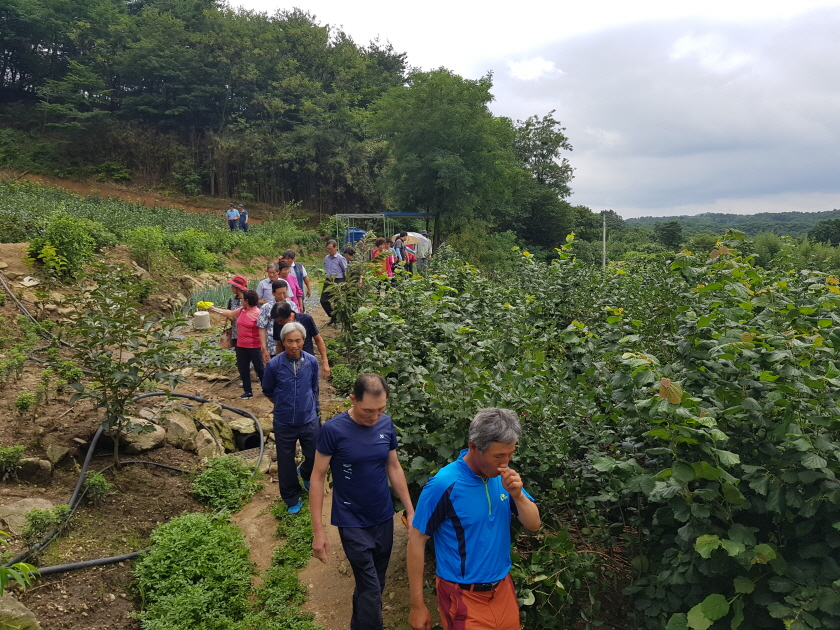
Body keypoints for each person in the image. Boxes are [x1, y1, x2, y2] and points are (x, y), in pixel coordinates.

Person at [407, 408, 541, 630]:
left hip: (502, 589)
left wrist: (517, 495)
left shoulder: (503, 479)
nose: (505, 463)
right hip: (462, 595)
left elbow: (534, 524)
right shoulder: (444, 484)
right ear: (473, 447)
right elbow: (416, 540)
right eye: (498, 456)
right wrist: (417, 604)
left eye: (510, 454)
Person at [310, 374, 414, 630]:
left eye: (381, 409)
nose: (374, 416)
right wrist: (318, 531)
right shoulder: (333, 430)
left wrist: (411, 511)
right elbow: (318, 476)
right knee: (370, 586)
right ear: (353, 400)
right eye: (368, 410)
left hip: (382, 516)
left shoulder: (385, 425)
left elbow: (394, 466)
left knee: (376, 583)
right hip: (351, 521)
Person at [262, 322, 320, 514]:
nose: (294, 345)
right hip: (284, 421)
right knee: (286, 462)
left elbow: (314, 388)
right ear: (283, 342)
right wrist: (283, 402)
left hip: (308, 418)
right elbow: (268, 390)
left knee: (314, 455)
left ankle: (305, 472)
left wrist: (314, 411)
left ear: (304, 341)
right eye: (289, 341)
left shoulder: (311, 361)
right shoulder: (274, 365)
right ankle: (291, 497)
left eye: (298, 340)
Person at [210, 290, 264, 399]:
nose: (241, 300)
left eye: (243, 299)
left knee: (259, 368)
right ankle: (248, 391)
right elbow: (230, 313)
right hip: (241, 345)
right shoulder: (242, 310)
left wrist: (264, 346)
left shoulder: (257, 313)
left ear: (247, 301)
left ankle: (267, 388)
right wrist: (214, 309)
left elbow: (263, 330)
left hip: (254, 346)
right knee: (243, 368)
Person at [270, 301, 330, 377]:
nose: (279, 323)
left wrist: (325, 362)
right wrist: (278, 363)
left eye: (281, 321)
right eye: (277, 321)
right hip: (287, 363)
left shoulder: (306, 319)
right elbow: (279, 344)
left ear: (289, 316)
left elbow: (318, 339)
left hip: (306, 362)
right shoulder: (278, 324)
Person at [258, 281, 298, 365]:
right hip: (273, 347)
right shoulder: (266, 307)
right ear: (273, 293)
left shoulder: (292, 305)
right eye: (279, 294)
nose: (282, 296)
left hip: (292, 346)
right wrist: (264, 349)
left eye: (284, 293)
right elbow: (262, 329)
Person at [321, 239, 347, 326]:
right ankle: (333, 316)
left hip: (338, 280)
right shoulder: (326, 258)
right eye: (328, 249)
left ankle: (337, 321)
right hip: (329, 280)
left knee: (337, 301)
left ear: (336, 248)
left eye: (331, 249)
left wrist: (345, 283)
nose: (329, 251)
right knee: (323, 300)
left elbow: (345, 271)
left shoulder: (340, 258)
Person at [224, 275, 247, 344]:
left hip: (247, 334)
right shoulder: (232, 300)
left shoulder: (248, 299)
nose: (231, 288)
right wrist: (229, 317)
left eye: (233, 286)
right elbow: (228, 312)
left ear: (238, 287)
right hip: (235, 334)